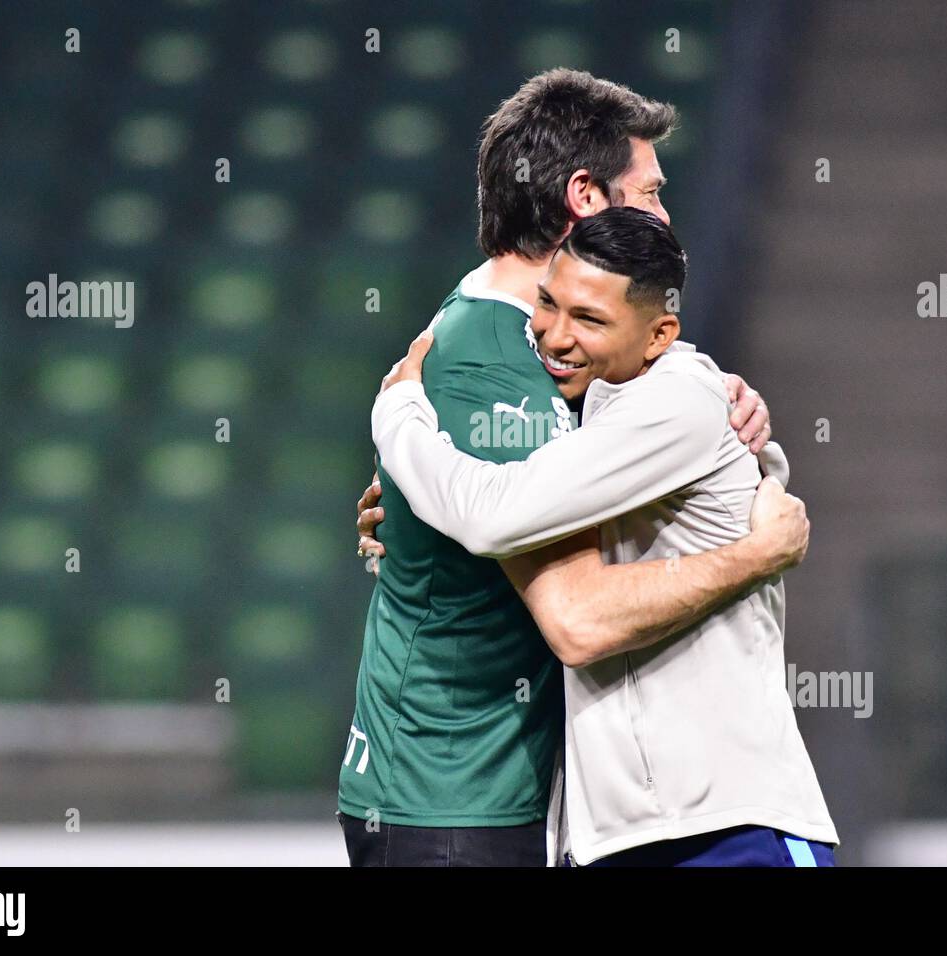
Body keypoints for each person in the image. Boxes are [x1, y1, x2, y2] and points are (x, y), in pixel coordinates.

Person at [338, 70, 792, 866]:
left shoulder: (552, 357)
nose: (663, 214)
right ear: (587, 197)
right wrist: (756, 555)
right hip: (449, 801)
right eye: (649, 193)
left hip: (490, 796)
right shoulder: (493, 364)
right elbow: (576, 617)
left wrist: (709, 393)